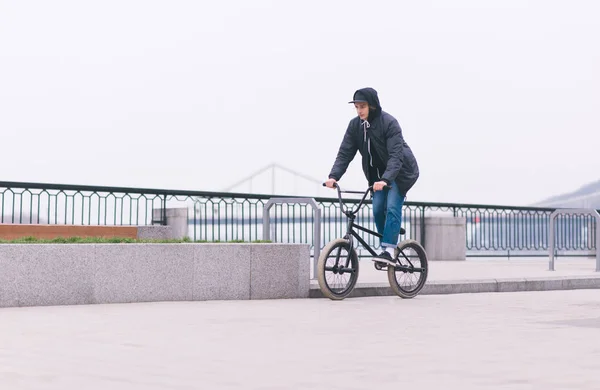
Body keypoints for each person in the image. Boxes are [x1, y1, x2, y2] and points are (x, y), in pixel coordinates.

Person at [325, 87, 419, 266]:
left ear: (372, 106)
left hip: (400, 173)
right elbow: (345, 152)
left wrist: (386, 179)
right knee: (377, 210)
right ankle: (390, 234)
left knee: (392, 207)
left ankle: (389, 250)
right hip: (377, 177)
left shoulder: (389, 123)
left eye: (362, 106)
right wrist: (334, 176)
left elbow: (396, 156)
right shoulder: (355, 126)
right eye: (357, 107)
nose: (359, 111)